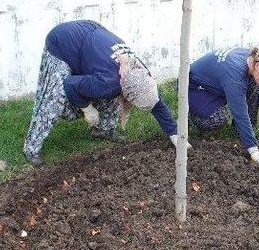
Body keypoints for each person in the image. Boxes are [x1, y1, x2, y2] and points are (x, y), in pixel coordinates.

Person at [23, 20, 179, 166]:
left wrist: (174, 133)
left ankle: (101, 130)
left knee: (111, 93)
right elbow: (70, 85)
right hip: (63, 41)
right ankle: (31, 148)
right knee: (54, 98)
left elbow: (156, 103)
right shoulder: (109, 82)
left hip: (91, 38)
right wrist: (87, 109)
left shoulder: (141, 73)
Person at [188, 46, 259, 166]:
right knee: (217, 119)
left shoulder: (253, 58)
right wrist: (253, 150)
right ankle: (191, 115)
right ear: (258, 66)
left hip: (217, 82)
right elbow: (240, 112)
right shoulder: (235, 75)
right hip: (195, 86)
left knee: (255, 83)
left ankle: (242, 130)